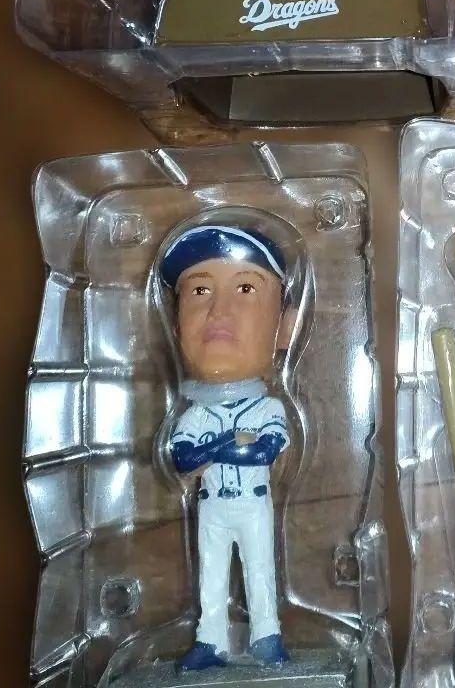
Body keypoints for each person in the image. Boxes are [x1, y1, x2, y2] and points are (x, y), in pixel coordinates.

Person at [159, 224, 295, 672]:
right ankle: (209, 640)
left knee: (260, 571)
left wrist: (214, 451)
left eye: (245, 289)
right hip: (212, 505)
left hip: (253, 504)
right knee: (211, 576)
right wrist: (225, 442)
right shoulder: (196, 415)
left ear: (285, 327)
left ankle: (267, 637)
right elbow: (182, 458)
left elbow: (263, 452)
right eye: (199, 291)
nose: (219, 310)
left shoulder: (267, 407)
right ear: (176, 325)